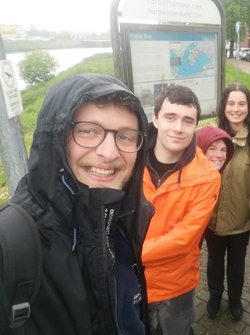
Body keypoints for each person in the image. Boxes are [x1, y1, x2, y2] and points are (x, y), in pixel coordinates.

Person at [0, 73, 154, 334]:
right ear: (56, 138)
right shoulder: (9, 246)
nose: (109, 152)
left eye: (126, 137)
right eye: (88, 131)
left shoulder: (122, 218)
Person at [141, 85, 221, 335]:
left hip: (175, 286)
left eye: (188, 120)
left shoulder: (207, 177)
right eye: (170, 117)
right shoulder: (129, 161)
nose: (178, 128)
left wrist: (126, 253)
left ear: (195, 124)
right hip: (130, 280)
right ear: (155, 119)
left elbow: (184, 238)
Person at [205, 83, 250, 320]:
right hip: (211, 218)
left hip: (241, 220)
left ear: (248, 107)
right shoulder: (211, 138)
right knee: (213, 261)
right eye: (231, 103)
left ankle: (234, 299)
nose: (236, 108)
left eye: (241, 103)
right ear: (224, 107)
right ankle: (213, 295)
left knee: (236, 264)